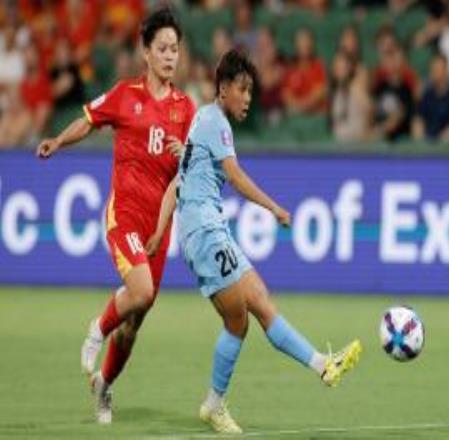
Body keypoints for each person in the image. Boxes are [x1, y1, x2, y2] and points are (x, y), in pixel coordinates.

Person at [146, 49, 362, 434]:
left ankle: (323, 366)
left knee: (260, 299)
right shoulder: (215, 123)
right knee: (237, 322)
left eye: (251, 91)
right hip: (205, 233)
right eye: (242, 89)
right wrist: (274, 208)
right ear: (223, 88)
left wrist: (161, 230)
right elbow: (236, 177)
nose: (248, 98)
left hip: (209, 230)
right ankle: (214, 405)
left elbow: (178, 182)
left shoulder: (202, 121)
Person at [35, 8, 195, 424]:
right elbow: (88, 121)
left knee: (135, 322)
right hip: (124, 214)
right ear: (146, 52)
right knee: (139, 292)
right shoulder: (126, 95)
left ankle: (104, 386)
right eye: (162, 48)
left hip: (158, 227)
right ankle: (97, 329)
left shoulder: (185, 109)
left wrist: (186, 157)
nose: (170, 56)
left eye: (174, 49)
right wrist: (58, 140)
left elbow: (189, 175)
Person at [412, 54, 449, 142]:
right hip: (427, 140)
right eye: (432, 69)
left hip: (445, 143)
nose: (434, 72)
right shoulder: (427, 95)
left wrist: (439, 143)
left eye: (437, 69)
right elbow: (419, 118)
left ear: (446, 71)